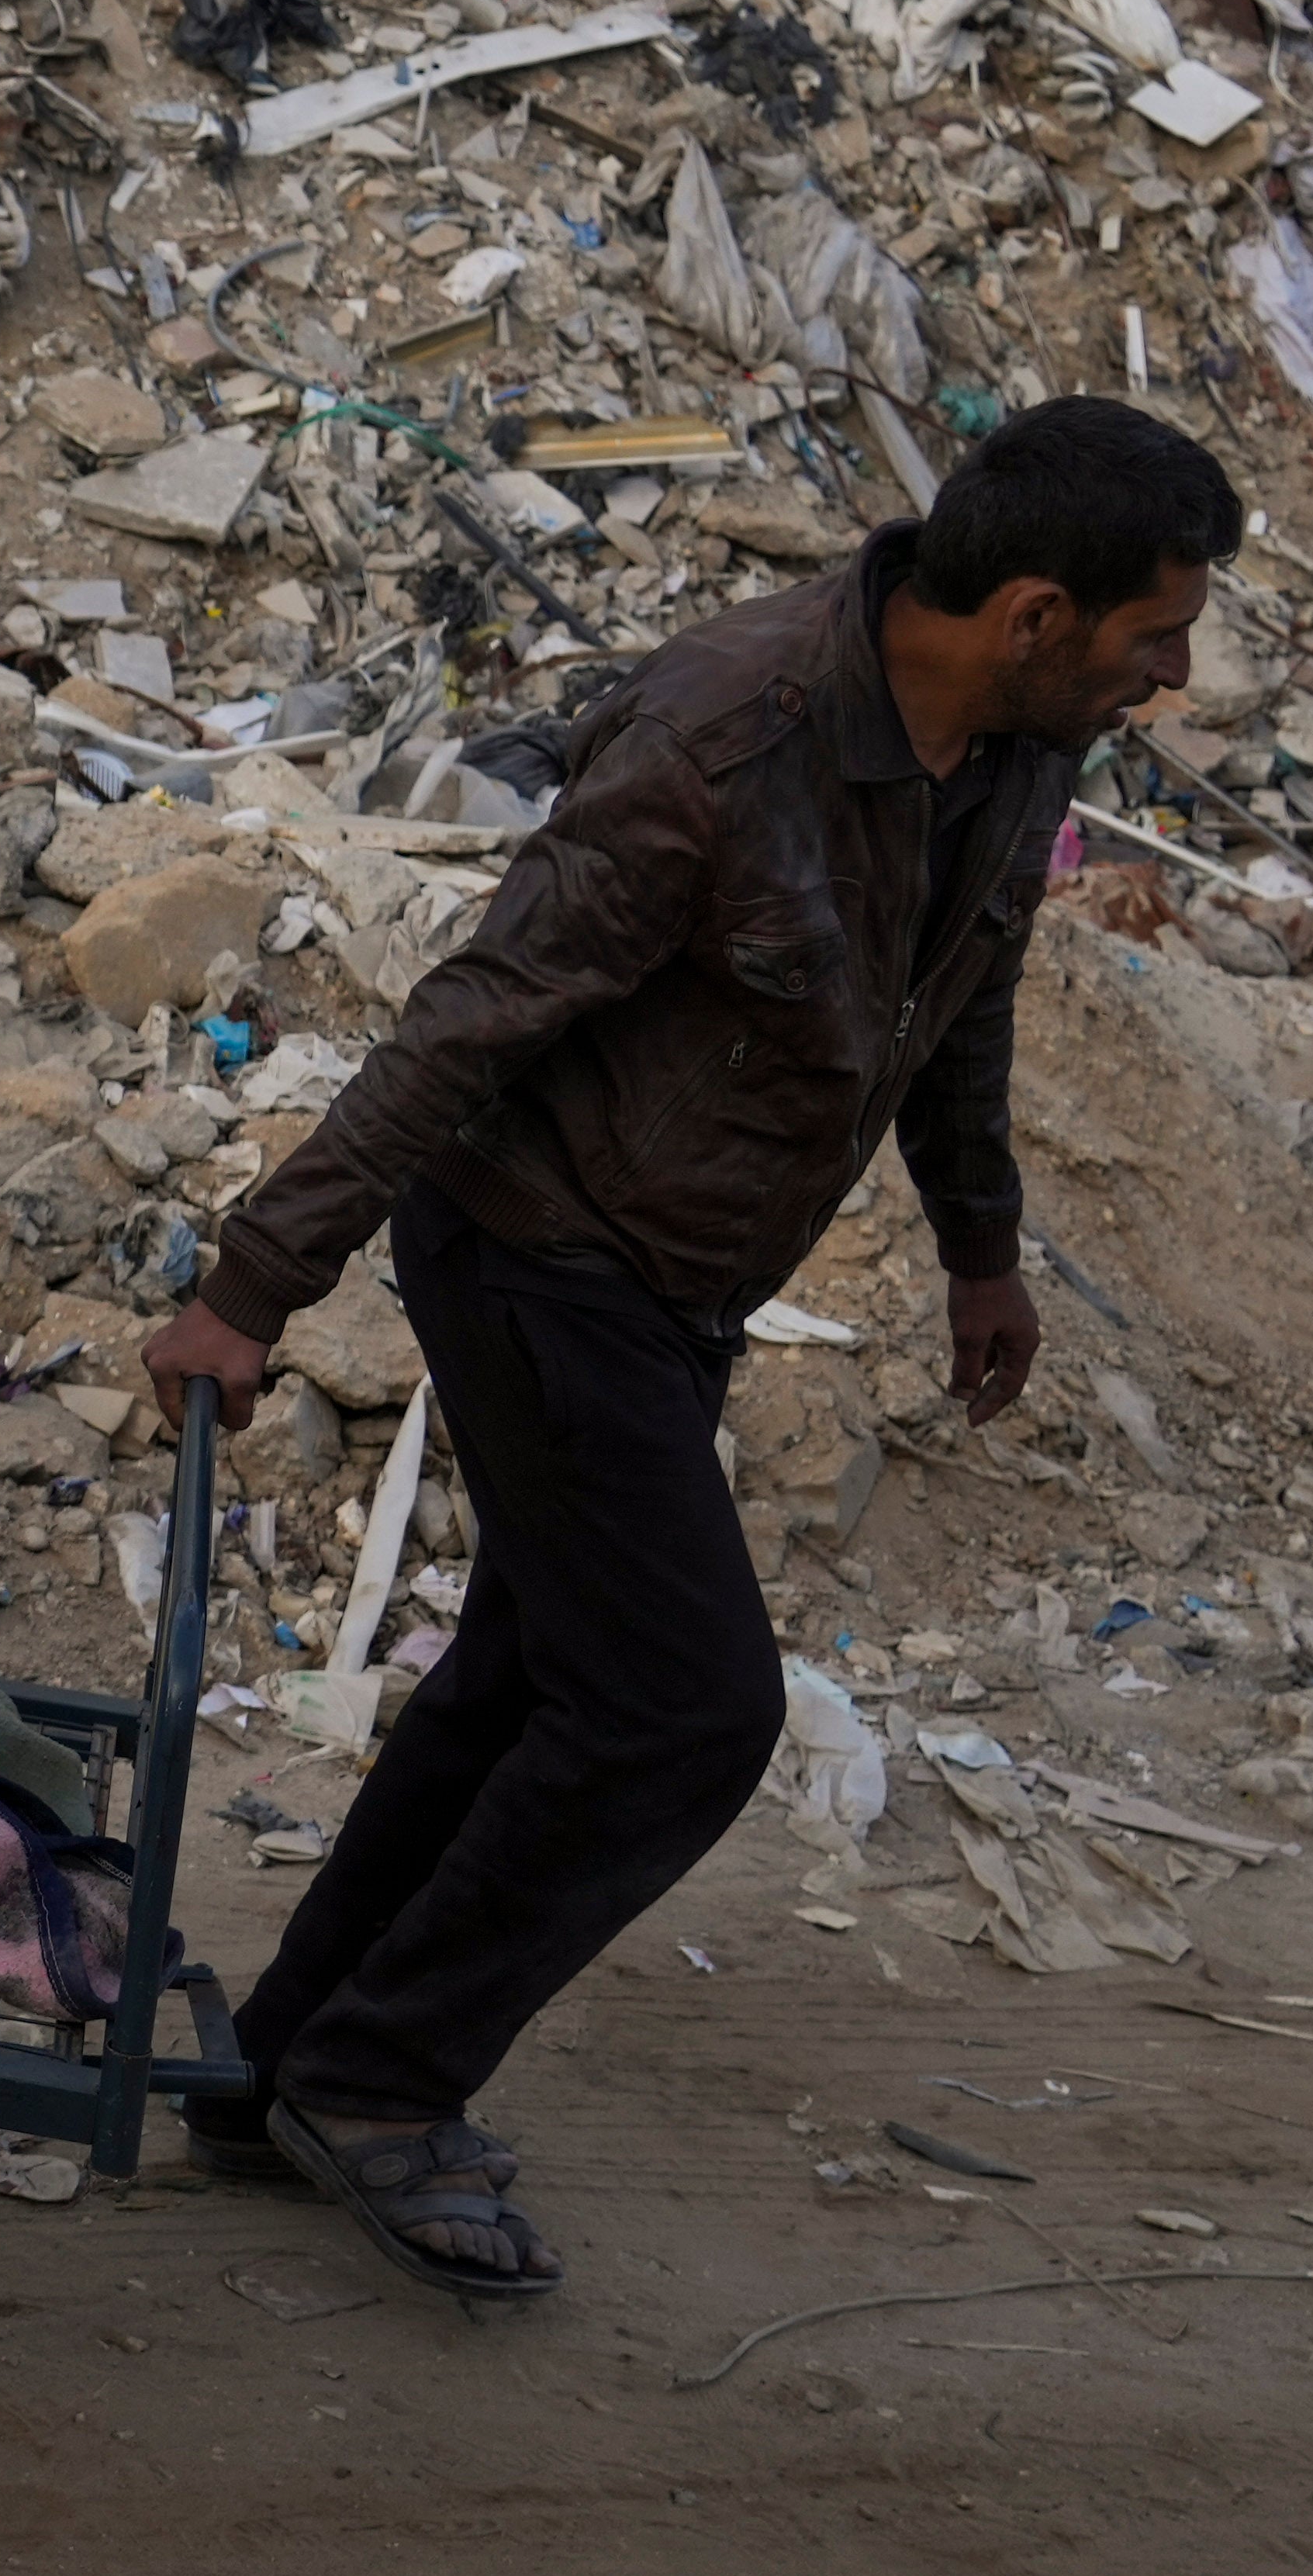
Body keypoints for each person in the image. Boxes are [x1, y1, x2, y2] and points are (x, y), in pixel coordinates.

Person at [134, 396, 1240, 2300]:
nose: (1177, 677)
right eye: (1158, 638)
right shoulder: (730, 737)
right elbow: (478, 1016)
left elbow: (961, 1009)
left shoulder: (1010, 749)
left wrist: (985, 1252)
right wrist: (257, 1281)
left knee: (535, 1673)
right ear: (1041, 613)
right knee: (686, 1708)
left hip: (675, 1279)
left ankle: (287, 2059)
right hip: (540, 1251)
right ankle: (384, 2079)